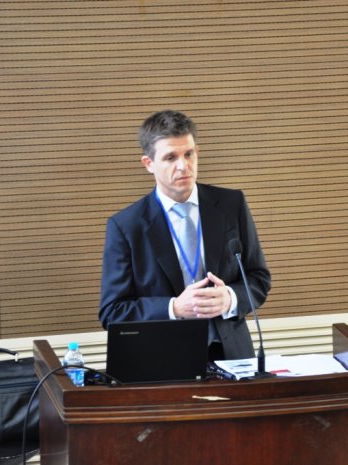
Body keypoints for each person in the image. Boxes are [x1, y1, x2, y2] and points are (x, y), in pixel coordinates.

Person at [99, 110, 271, 360]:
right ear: (148, 164)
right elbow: (112, 312)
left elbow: (258, 278)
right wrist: (174, 308)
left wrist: (230, 298)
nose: (183, 166)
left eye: (189, 154)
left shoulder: (231, 204)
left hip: (231, 355)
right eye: (170, 157)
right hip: (163, 361)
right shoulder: (126, 226)